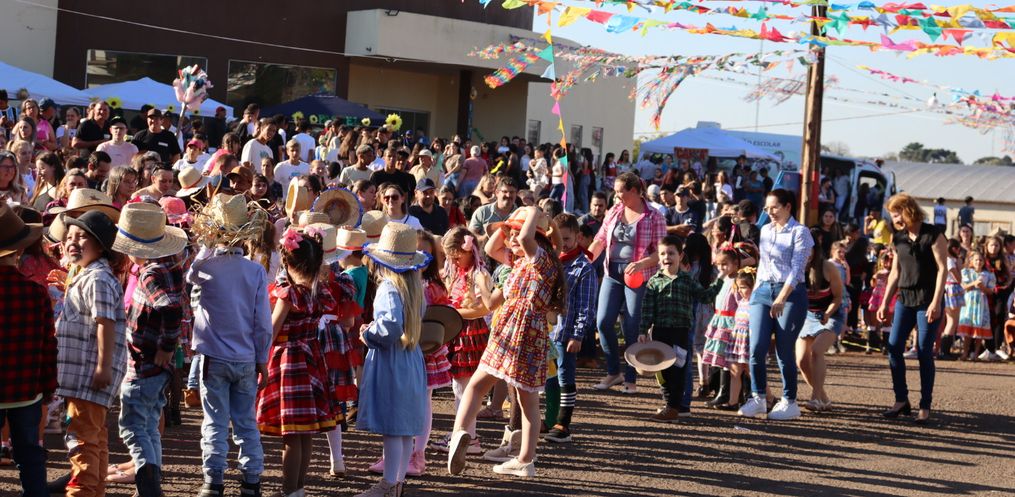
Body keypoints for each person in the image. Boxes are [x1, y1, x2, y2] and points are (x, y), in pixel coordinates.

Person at [448, 207, 564, 478]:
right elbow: (490, 248)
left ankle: (459, 433)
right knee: (527, 401)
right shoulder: (522, 263)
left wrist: (533, 211)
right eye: (510, 233)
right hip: (526, 335)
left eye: (516, 232)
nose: (511, 238)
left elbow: (524, 239)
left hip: (515, 332)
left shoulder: (539, 258)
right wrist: (508, 225)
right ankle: (524, 460)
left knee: (478, 386)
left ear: (536, 235)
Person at [187, 195, 272, 497]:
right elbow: (263, 322)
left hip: (214, 357)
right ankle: (251, 479)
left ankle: (213, 480)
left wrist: (207, 244)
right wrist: (262, 358)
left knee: (215, 421)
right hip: (246, 358)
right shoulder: (255, 271)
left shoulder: (207, 267)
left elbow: (191, 274)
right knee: (246, 421)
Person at [112, 202, 188, 497]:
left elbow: (170, 308)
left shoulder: (149, 274)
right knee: (149, 425)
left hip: (144, 362)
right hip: (155, 366)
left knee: (133, 427)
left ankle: (148, 487)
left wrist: (167, 345)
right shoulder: (171, 266)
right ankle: (151, 484)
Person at [257, 226, 337, 497]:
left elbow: (271, 330)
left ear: (288, 264)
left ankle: (289, 489)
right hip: (311, 359)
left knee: (291, 433)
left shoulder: (289, 294)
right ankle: (298, 488)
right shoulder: (319, 292)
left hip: (289, 363)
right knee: (305, 432)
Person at [354, 223, 429, 497]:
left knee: (392, 427)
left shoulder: (389, 287)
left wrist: (368, 333)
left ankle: (387, 484)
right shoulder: (414, 287)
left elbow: (390, 325)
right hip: (410, 357)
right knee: (405, 428)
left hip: (392, 360)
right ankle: (396, 483)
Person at [56, 210, 127, 497]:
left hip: (88, 374)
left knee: (82, 439)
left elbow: (104, 322)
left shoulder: (97, 278)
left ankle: (83, 492)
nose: (72, 242)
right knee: (94, 437)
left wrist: (102, 366)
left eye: (82, 237)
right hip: (83, 375)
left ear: (100, 246)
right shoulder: (89, 275)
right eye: (69, 236)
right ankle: (94, 491)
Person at [739, 188, 814, 421]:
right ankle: (758, 398)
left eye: (774, 207)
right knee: (756, 347)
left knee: (783, 349)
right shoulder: (765, 230)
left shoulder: (800, 232)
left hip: (790, 293)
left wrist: (781, 298)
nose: (770, 212)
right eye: (767, 208)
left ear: (787, 207)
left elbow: (797, 269)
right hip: (762, 290)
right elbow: (763, 263)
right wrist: (756, 292)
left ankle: (790, 401)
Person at [588, 172, 667, 394]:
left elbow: (661, 252)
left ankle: (631, 378)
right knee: (603, 322)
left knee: (633, 327)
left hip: (638, 277)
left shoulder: (654, 216)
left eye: (620, 191)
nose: (616, 195)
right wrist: (585, 260)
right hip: (612, 273)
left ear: (634, 191)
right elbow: (600, 240)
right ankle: (614, 372)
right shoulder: (614, 210)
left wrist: (641, 264)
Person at [0, 203, 55, 497]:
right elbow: (48, 345)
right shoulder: (36, 293)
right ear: (18, 251)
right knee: (30, 455)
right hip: (27, 391)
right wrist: (47, 387)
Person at [878, 193, 947, 425]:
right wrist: (885, 302)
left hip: (928, 299)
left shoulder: (934, 234)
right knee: (894, 347)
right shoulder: (898, 237)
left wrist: (936, 302)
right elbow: (895, 273)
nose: (895, 219)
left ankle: (925, 405)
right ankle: (901, 399)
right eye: (892, 215)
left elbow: (943, 270)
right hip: (904, 299)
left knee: (924, 351)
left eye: (897, 214)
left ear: (908, 210)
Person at [433, 227, 492, 454]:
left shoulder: (479, 275)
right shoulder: (458, 273)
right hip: (457, 330)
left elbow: (484, 308)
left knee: (465, 387)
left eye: (457, 257)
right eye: (451, 258)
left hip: (469, 334)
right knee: (460, 387)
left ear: (470, 250)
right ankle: (463, 434)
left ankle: (468, 437)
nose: (454, 262)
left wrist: (453, 312)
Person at [544, 213, 598, 442]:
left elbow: (587, 307)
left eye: (566, 238)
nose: (562, 243)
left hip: (566, 333)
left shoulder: (584, 268)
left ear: (578, 236)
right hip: (547, 331)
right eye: (558, 239)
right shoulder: (551, 261)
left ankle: (563, 424)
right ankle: (550, 419)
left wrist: (577, 334)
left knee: (565, 375)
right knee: (550, 376)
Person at [796, 232, 844, 411]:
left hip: (830, 315)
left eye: (809, 249)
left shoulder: (828, 267)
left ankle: (815, 398)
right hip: (807, 316)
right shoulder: (796, 267)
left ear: (815, 250)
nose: (805, 253)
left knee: (816, 351)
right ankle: (823, 398)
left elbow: (838, 297)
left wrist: (828, 313)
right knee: (801, 361)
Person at [701, 247, 744, 410]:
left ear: (735, 263)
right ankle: (723, 392)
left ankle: (729, 394)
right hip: (719, 321)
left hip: (731, 324)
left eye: (725, 264)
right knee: (721, 358)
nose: (721, 268)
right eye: (719, 264)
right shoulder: (722, 280)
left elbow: (741, 304)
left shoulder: (738, 282)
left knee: (729, 360)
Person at [958, 250, 994, 361]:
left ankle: (976, 354)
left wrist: (982, 287)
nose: (978, 262)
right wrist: (974, 283)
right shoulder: (966, 272)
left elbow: (991, 291)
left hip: (981, 304)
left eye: (981, 260)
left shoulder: (988, 275)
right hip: (969, 303)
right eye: (976, 260)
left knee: (979, 329)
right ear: (972, 261)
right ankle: (965, 353)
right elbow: (964, 287)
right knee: (967, 331)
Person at [468, 177, 519, 243]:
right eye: (505, 191)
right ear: (497, 193)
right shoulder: (483, 211)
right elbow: (470, 235)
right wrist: (484, 238)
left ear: (516, 194)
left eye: (512, 192)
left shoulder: (520, 214)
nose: (508, 195)